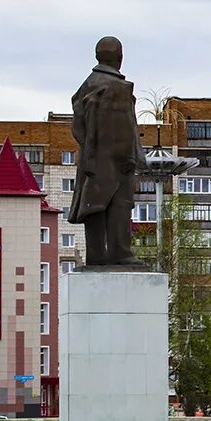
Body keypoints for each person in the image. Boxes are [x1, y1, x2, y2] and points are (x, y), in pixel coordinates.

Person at [68, 36, 147, 267]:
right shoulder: (117, 87)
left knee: (94, 205)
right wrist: (130, 157)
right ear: (120, 58)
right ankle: (119, 253)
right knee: (120, 204)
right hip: (116, 159)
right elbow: (123, 128)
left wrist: (90, 152)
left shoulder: (88, 84)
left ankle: (96, 255)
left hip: (92, 159)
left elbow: (78, 126)